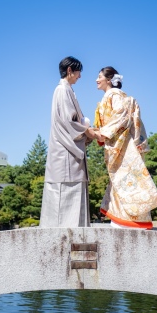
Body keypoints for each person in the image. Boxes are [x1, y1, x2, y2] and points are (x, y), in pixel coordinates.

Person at [94, 66, 157, 229]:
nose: (97, 80)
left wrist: (102, 134)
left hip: (122, 145)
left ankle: (130, 221)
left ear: (109, 80)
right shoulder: (110, 96)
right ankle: (122, 219)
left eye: (99, 77)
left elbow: (121, 118)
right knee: (121, 181)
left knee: (125, 181)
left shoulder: (116, 96)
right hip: (116, 143)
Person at [41, 56, 100, 227]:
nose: (79, 76)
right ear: (70, 71)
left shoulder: (66, 90)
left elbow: (73, 121)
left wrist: (88, 130)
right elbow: (69, 122)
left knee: (70, 198)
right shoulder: (62, 90)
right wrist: (89, 131)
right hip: (65, 153)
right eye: (78, 72)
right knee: (64, 199)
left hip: (68, 150)